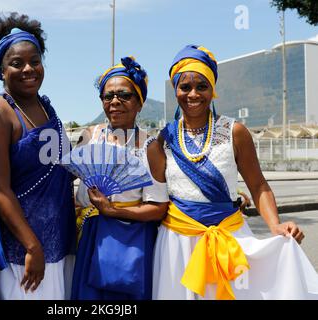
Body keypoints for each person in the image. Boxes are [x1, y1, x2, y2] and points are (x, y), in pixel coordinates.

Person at [150, 44, 318, 300]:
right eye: (185, 87)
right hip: (177, 243)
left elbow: (258, 185)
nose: (193, 94)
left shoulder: (235, 131)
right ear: (176, 91)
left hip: (230, 236)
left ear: (212, 91)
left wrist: (275, 225)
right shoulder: (163, 140)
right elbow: (157, 199)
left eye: (202, 86)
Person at [0, 13, 76, 300]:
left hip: (59, 239)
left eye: (35, 60)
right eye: (17, 63)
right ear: (0, 69)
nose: (29, 69)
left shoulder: (47, 107)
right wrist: (32, 246)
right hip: (25, 251)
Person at [70, 56, 169, 300]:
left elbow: (158, 208)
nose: (115, 101)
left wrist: (112, 211)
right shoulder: (90, 135)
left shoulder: (149, 147)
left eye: (124, 95)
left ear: (139, 102)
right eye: (108, 96)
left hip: (128, 239)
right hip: (89, 234)